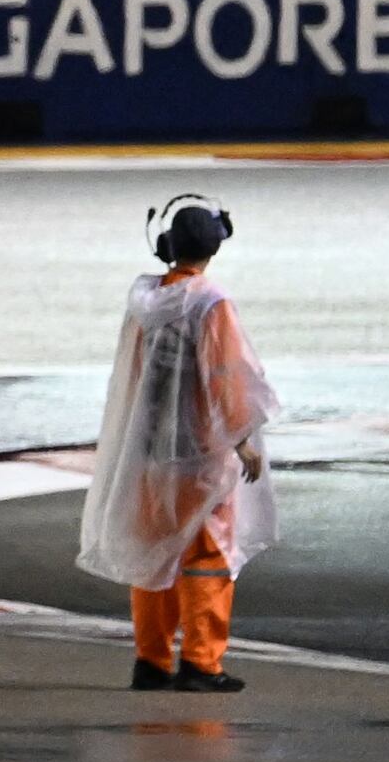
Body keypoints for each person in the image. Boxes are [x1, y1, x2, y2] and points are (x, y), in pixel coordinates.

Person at [75, 193, 279, 694]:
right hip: (198, 450)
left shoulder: (144, 300)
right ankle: (201, 663)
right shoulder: (211, 302)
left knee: (153, 551)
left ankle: (151, 660)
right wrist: (243, 439)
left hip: (146, 450)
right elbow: (228, 374)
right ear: (215, 246)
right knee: (207, 557)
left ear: (165, 245)